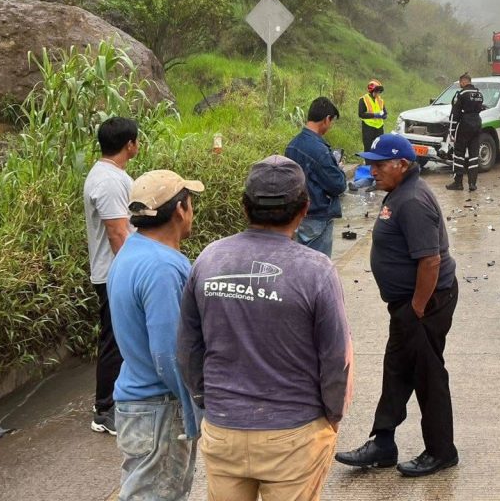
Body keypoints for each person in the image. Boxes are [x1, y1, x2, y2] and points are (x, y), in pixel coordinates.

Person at [178, 156, 353, 501]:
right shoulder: (317, 271)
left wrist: (207, 400)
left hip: (223, 429)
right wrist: (333, 415)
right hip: (294, 435)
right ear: (304, 209)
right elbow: (336, 358)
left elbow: (187, 349)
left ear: (245, 207)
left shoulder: (209, 260)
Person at [335, 134, 459, 478]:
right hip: (408, 305)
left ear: (402, 165)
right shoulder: (400, 193)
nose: (371, 169)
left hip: (426, 303)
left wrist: (418, 307)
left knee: (427, 375)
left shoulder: (414, 200)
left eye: (378, 164)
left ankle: (441, 451)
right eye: (370, 163)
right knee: (396, 370)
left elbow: (430, 261)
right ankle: (384, 443)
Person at [108, 169, 203, 500]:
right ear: (180, 209)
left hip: (137, 403)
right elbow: (168, 353)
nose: (192, 211)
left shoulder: (130, 253)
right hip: (159, 407)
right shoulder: (162, 267)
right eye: (190, 202)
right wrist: (196, 412)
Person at [83, 116, 138, 435]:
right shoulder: (108, 181)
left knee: (122, 337)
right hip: (113, 273)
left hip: (114, 270)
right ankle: (104, 409)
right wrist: (135, 272)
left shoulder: (110, 174)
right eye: (136, 140)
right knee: (114, 340)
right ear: (130, 145)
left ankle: (120, 399)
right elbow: (118, 234)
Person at [285, 97, 347, 258]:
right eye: (331, 121)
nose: (330, 126)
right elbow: (338, 185)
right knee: (317, 267)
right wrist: (338, 170)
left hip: (297, 216)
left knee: (298, 264)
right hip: (317, 217)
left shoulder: (292, 145)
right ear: (327, 119)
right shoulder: (319, 150)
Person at [446, 73, 484, 192]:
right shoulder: (479, 94)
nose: (460, 85)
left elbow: (455, 114)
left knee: (459, 154)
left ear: (463, 82)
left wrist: (451, 132)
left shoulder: (461, 94)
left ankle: (458, 183)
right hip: (477, 124)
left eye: (460, 83)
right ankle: (472, 184)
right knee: (473, 155)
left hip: (465, 125)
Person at [358, 79, 387, 151]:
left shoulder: (380, 100)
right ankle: (368, 162)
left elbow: (385, 113)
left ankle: (377, 162)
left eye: (380, 91)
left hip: (379, 128)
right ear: (372, 91)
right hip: (368, 127)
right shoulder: (363, 99)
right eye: (377, 91)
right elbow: (361, 114)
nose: (378, 93)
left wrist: (384, 116)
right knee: (368, 147)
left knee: (379, 147)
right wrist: (375, 115)